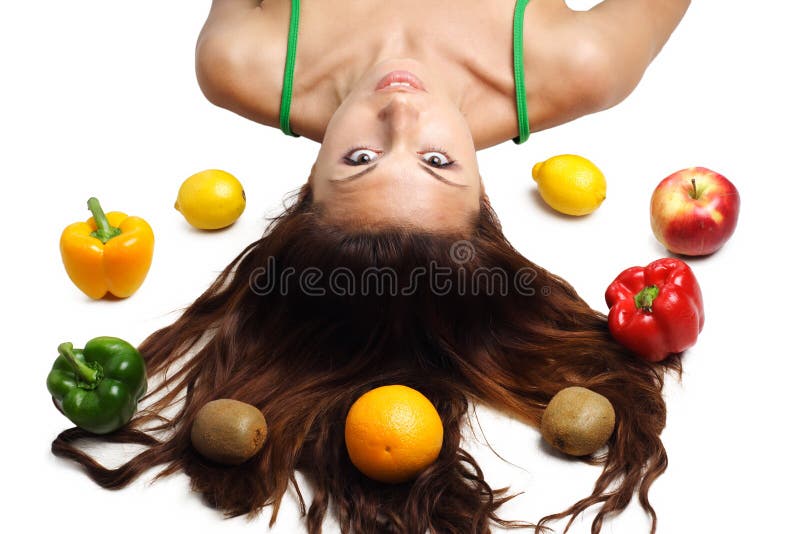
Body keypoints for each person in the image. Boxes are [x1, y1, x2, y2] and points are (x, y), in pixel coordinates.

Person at [51, 1, 691, 533]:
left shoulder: (240, 61)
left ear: (309, 181)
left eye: (359, 157)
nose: (402, 113)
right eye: (437, 162)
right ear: (487, 197)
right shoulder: (582, 66)